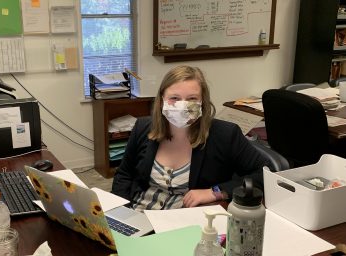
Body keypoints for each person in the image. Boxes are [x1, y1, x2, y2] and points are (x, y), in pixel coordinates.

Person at [111, 65, 270, 211]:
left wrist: (215, 192)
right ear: (161, 101)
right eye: (174, 98)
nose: (183, 105)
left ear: (203, 102)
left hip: (186, 221)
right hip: (139, 212)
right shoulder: (143, 127)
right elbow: (124, 174)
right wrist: (121, 213)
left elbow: (265, 174)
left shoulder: (225, 135)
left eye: (192, 99)